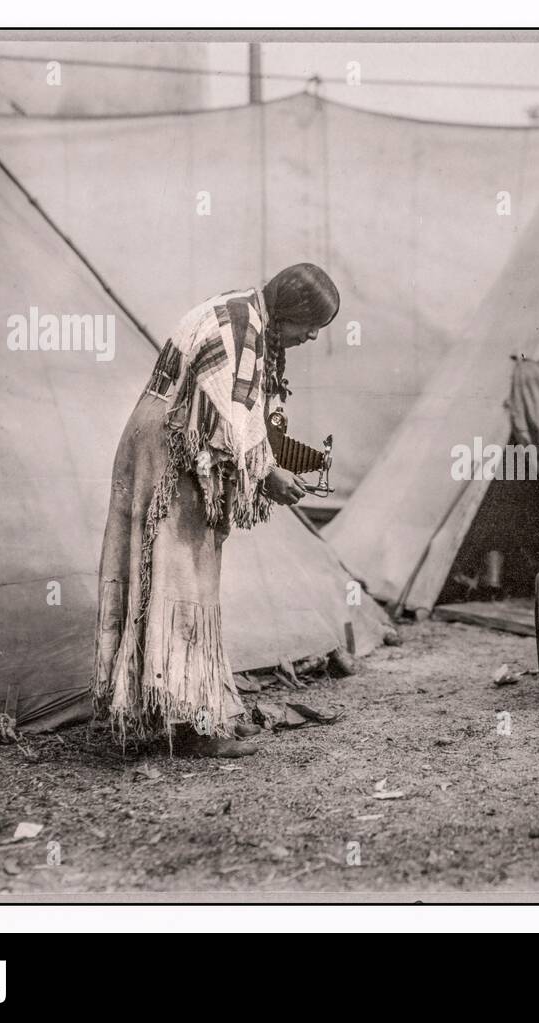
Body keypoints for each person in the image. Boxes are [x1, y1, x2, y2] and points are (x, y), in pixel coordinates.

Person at [92, 264, 339, 756]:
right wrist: (269, 476)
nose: (312, 335)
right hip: (171, 446)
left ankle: (192, 708)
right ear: (288, 310)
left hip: (167, 438)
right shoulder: (242, 328)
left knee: (177, 577)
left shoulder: (246, 316)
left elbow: (248, 421)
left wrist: (289, 460)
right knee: (180, 578)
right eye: (310, 324)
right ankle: (192, 728)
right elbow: (231, 423)